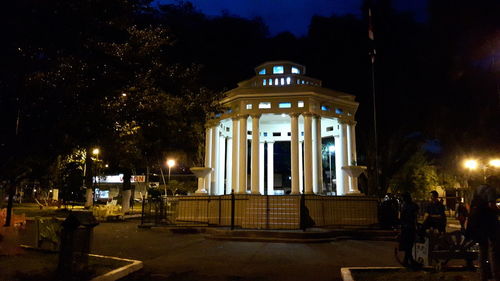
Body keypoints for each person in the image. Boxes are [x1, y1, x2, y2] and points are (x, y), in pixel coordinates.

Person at [466, 175, 499, 281]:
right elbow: (491, 205)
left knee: (482, 249)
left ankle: (483, 275)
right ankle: (496, 275)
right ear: (493, 182)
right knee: (494, 249)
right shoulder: (490, 190)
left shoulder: (476, 190)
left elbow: (469, 205)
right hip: (489, 223)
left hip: (478, 223)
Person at [398, 192, 420, 267]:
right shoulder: (413, 205)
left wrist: (401, 226)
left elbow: (402, 218)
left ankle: (408, 260)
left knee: (408, 245)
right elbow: (416, 216)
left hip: (406, 227)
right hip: (410, 227)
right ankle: (409, 260)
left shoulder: (404, 206)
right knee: (409, 245)